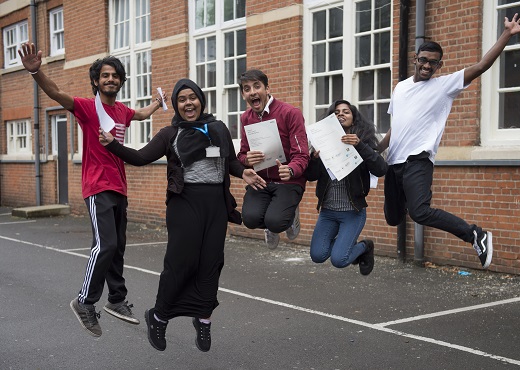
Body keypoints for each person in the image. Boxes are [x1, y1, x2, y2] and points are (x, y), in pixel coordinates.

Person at [99, 78, 265, 352]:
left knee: (211, 263)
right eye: (182, 99)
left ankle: (204, 320)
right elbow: (140, 158)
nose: (189, 103)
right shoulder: (170, 134)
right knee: (181, 263)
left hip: (215, 204)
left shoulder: (219, 128)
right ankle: (159, 316)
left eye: (193, 98)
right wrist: (111, 145)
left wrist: (244, 171)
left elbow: (231, 161)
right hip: (185, 202)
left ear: (201, 99)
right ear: (176, 105)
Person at [18, 42, 167, 337]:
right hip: (97, 185)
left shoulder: (122, 110)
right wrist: (37, 74)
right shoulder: (88, 108)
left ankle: (116, 300)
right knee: (105, 245)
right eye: (105, 76)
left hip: (120, 187)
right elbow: (57, 94)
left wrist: (156, 103)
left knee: (118, 247)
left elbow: (140, 115)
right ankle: (84, 301)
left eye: (115, 76)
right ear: (97, 81)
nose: (110, 79)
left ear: (120, 82)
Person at [376, 14, 520, 269]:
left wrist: (507, 34)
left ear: (439, 66)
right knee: (393, 218)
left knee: (420, 212)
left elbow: (481, 66)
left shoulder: (444, 86)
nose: (428, 66)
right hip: (394, 163)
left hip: (418, 160)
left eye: (434, 63)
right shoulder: (401, 88)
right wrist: (377, 149)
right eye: (424, 60)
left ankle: (475, 235)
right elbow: (396, 127)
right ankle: (410, 196)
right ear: (416, 59)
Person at [305, 100, 387, 275]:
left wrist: (360, 145)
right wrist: (314, 159)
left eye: (346, 112)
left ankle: (365, 246)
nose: (341, 114)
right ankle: (345, 246)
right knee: (318, 255)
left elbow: (381, 169)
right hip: (328, 212)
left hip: (352, 212)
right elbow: (310, 176)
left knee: (339, 259)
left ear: (354, 119)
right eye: (336, 112)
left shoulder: (362, 142)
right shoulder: (323, 145)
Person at [236, 69, 310, 249]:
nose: (252, 92)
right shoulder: (246, 118)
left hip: (288, 181)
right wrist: (247, 159)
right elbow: (242, 154)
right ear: (243, 94)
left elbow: (301, 153)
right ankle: (270, 225)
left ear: (267, 89)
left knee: (276, 221)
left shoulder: (291, 113)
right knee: (250, 219)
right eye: (247, 89)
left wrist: (291, 169)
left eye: (257, 86)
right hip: (261, 180)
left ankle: (288, 217)